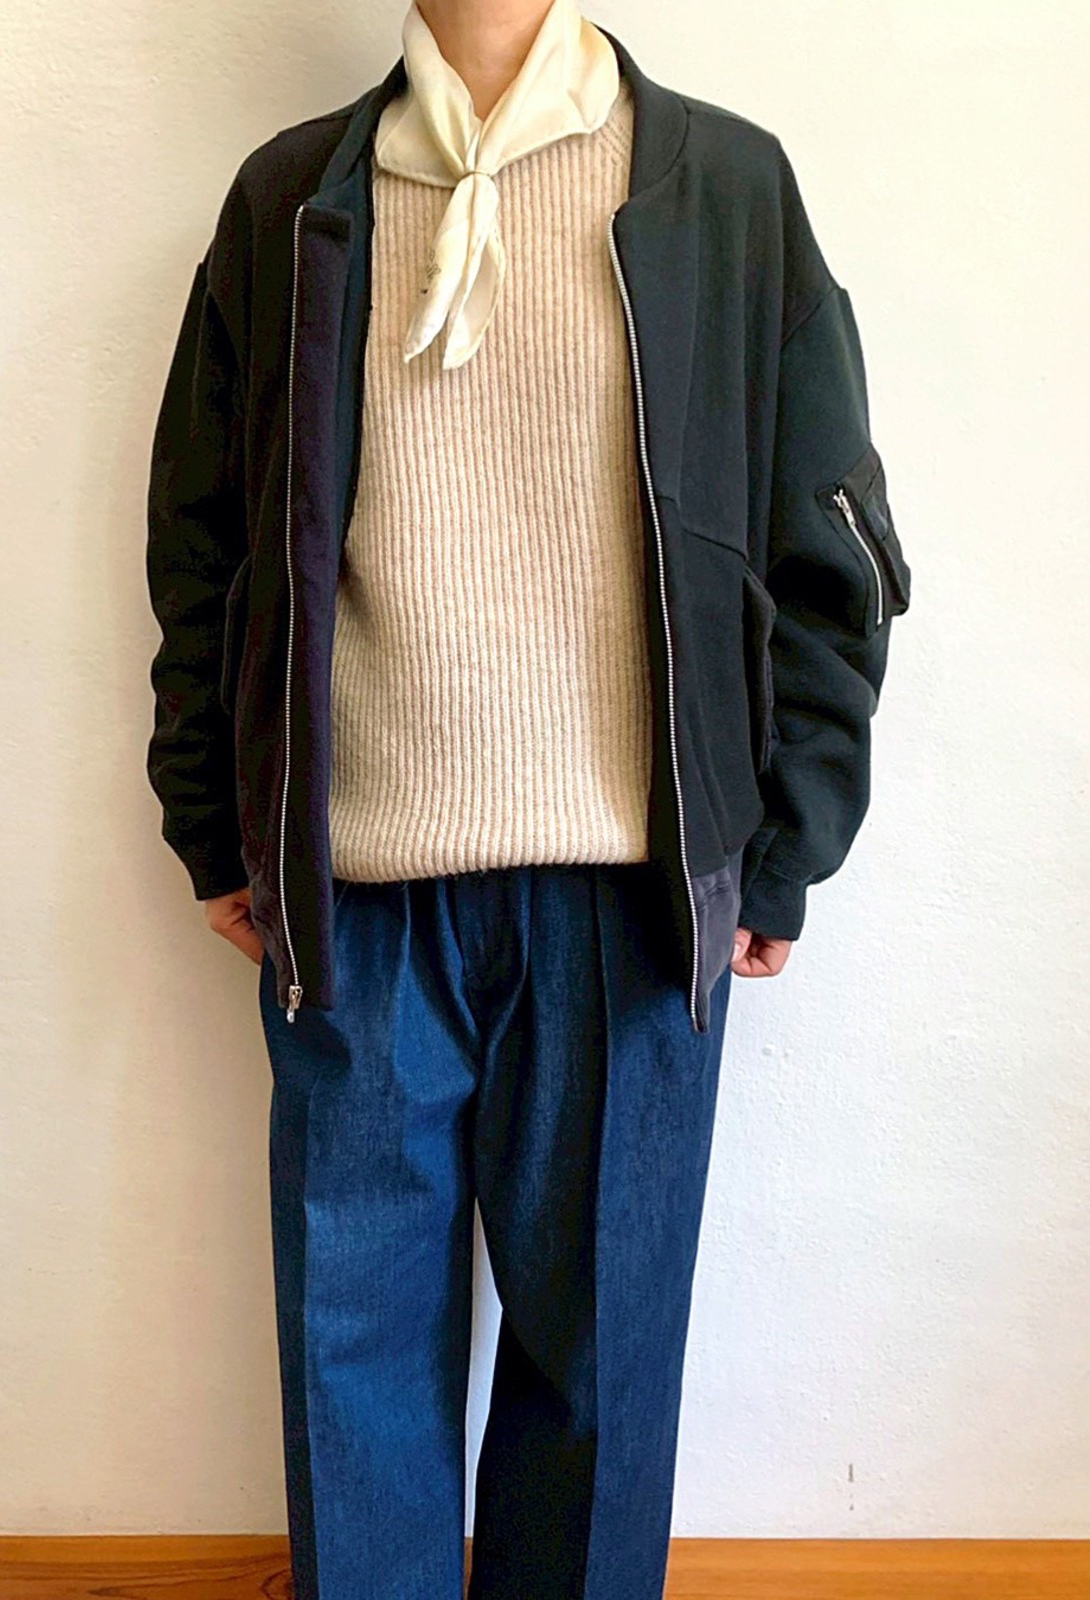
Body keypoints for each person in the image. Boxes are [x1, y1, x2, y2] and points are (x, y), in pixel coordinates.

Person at [145, 1, 912, 1596]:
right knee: (352, 1379)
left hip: (632, 902)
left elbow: (828, 541)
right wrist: (215, 820)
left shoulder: (726, 192)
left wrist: (784, 843)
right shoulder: (293, 200)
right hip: (355, 903)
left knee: (599, 1392)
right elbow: (204, 540)